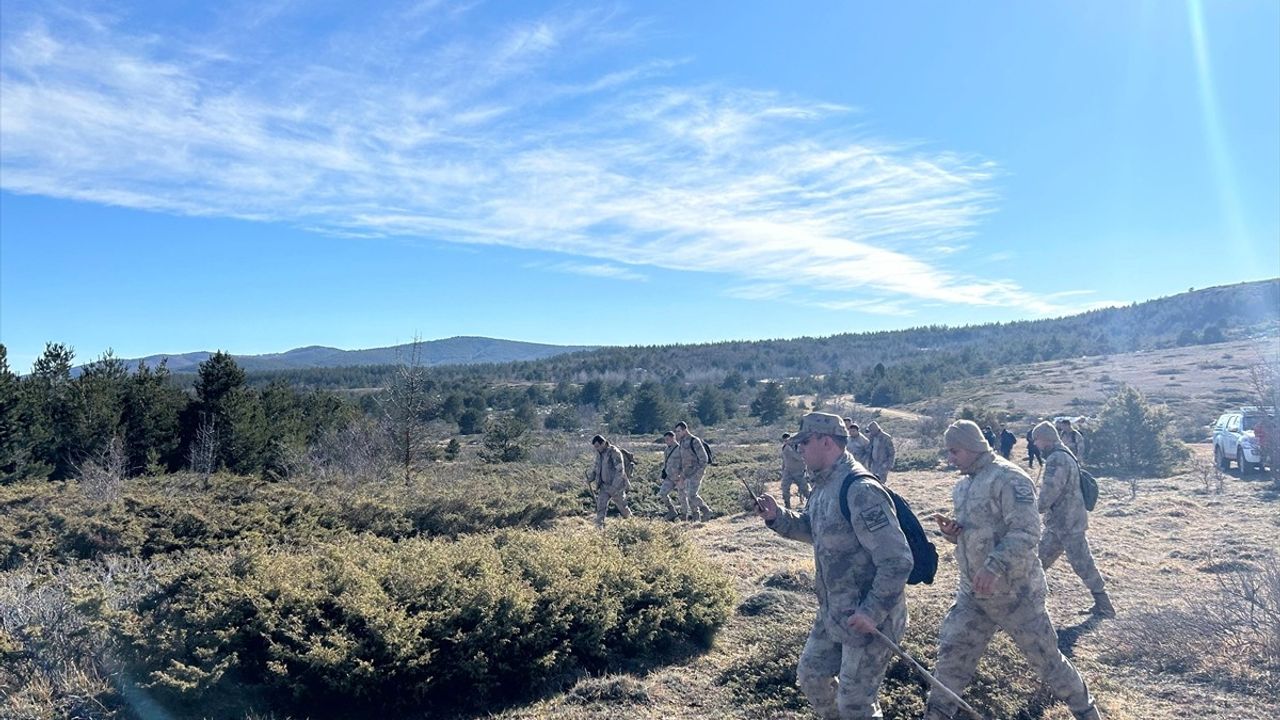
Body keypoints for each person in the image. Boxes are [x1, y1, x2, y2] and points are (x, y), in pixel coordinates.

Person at [926, 420, 1103, 720]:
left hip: (1016, 594)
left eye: (954, 451)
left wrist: (994, 566)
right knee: (952, 657)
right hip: (973, 594)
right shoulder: (963, 485)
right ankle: (937, 714)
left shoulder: (1010, 478)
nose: (950, 459)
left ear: (971, 446)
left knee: (1048, 661)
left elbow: (1026, 532)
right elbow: (980, 530)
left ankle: (1086, 711)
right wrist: (955, 533)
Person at [755, 412, 913, 719]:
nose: (799, 450)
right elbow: (815, 529)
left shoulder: (860, 490)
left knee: (855, 704)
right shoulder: (824, 484)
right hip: (835, 610)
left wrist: (872, 611)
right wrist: (777, 517)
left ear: (826, 442)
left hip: (869, 616)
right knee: (812, 676)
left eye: (804, 443)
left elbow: (897, 560)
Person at [1032, 422, 1115, 618]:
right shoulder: (1064, 454)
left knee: (1082, 563)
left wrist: (1033, 509)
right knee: (1038, 562)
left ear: (1045, 438)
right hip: (1061, 523)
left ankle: (1104, 604)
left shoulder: (1057, 459)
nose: (1035, 444)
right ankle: (1028, 602)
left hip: (1067, 523)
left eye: (1036, 440)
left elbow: (1049, 491)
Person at [674, 421, 715, 521]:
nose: (677, 434)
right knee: (689, 495)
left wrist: (698, 471)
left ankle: (706, 511)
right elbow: (682, 459)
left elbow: (704, 459)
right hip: (686, 473)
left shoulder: (694, 441)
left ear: (685, 430)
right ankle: (696, 518)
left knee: (692, 494)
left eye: (679, 431)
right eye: (676, 432)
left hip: (696, 472)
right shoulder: (682, 442)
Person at [589, 434, 632, 529]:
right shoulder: (599, 453)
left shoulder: (614, 452)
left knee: (622, 507)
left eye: (597, 446)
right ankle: (599, 527)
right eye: (595, 447)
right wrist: (591, 477)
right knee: (601, 506)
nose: (596, 449)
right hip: (604, 486)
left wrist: (614, 487)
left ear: (603, 443)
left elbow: (620, 471)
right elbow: (597, 467)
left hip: (616, 486)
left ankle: (632, 523)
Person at [657, 431, 685, 520]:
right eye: (665, 440)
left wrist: (682, 476)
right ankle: (672, 511)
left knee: (683, 497)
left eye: (668, 439)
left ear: (673, 438)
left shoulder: (680, 449)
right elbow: (666, 463)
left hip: (679, 477)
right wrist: (663, 473)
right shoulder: (666, 450)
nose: (666, 441)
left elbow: (685, 463)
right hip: (669, 477)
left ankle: (685, 516)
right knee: (662, 493)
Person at [781, 432, 810, 510]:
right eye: (785, 440)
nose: (786, 441)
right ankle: (787, 505)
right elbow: (784, 459)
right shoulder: (784, 447)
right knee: (784, 488)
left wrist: (791, 451)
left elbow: (800, 458)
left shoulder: (798, 447)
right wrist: (783, 469)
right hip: (788, 471)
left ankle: (811, 503)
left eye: (788, 439)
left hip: (798, 471)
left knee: (805, 489)